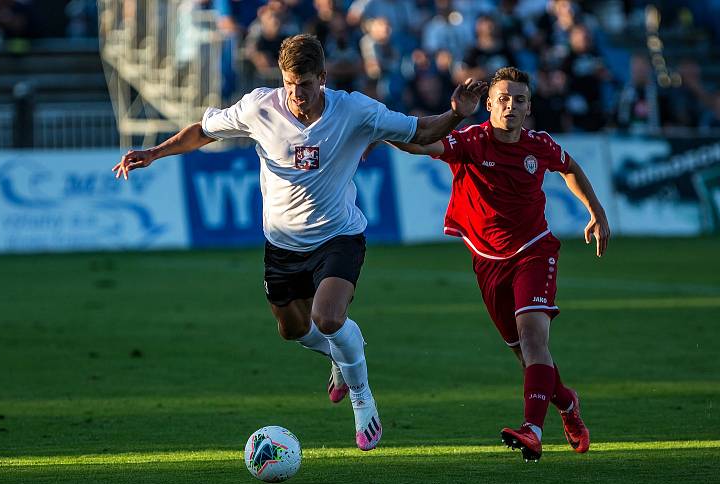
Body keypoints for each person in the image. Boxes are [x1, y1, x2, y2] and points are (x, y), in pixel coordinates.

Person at [112, 34, 487, 451]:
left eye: (305, 84)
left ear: (322, 79)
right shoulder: (259, 107)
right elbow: (203, 130)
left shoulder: (355, 110)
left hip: (337, 237)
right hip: (282, 245)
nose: (297, 93)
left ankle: (363, 399)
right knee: (293, 330)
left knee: (328, 318)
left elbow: (419, 132)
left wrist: (456, 113)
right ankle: (342, 355)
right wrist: (155, 153)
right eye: (290, 83)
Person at [384, 66, 610, 461]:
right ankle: (567, 404)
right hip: (487, 260)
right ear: (488, 104)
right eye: (503, 98)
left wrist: (596, 210)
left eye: (519, 99)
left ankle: (532, 431)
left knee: (534, 339)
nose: (511, 105)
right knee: (526, 356)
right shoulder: (471, 141)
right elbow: (422, 146)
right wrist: (378, 127)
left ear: (528, 107)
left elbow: (569, 167)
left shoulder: (539, 145)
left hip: (535, 251)